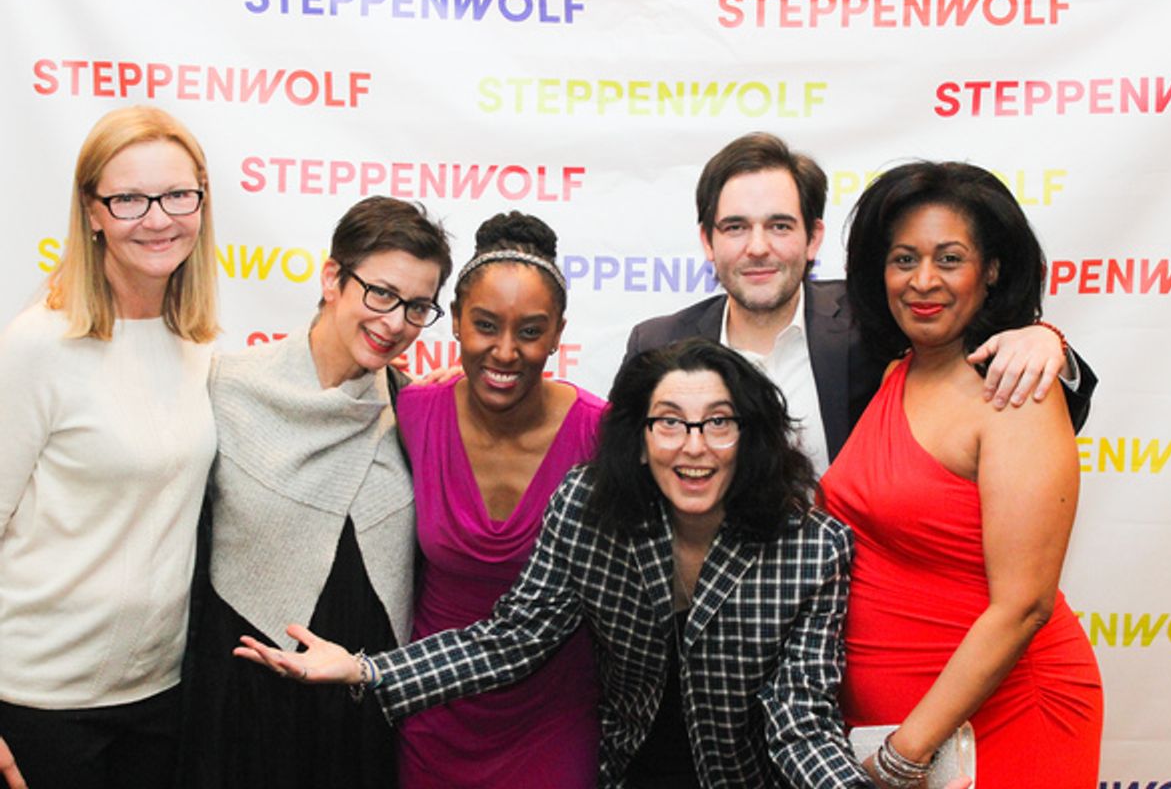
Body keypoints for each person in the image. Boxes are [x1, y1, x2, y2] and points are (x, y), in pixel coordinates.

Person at [235, 337, 879, 789]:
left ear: (749, 436)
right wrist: (365, 668)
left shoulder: (812, 548)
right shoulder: (589, 507)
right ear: (639, 439)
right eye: (669, 423)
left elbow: (799, 718)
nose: (694, 447)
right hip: (624, 773)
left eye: (718, 423)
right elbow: (514, 638)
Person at [821, 162, 1103, 786]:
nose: (923, 281)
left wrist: (905, 753)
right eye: (903, 259)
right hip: (900, 727)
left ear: (992, 269)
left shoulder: (1015, 392)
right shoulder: (898, 370)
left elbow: (1023, 606)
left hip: (1003, 720)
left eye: (949, 259)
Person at [624, 132, 1096, 473]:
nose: (758, 247)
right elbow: (626, 473)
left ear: (814, 238)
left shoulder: (873, 318)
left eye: (780, 226)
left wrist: (1044, 339)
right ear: (707, 241)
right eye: (736, 227)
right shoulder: (659, 344)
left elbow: (1017, 409)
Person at [183, 196, 452, 788]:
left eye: (417, 307)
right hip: (243, 706)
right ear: (332, 278)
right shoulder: (228, 387)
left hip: (359, 711)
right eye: (380, 293)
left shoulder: (413, 409)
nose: (395, 323)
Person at [0, 105, 219, 789]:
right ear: (92, 212)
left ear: (201, 202)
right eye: (129, 199)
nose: (158, 219)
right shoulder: (39, 345)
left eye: (177, 195)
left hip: (159, 694)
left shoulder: (198, 344)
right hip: (37, 702)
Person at [393, 211, 602, 787]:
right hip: (434, 705)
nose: (505, 352)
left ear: (558, 333)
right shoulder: (411, 415)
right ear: (456, 321)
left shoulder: (601, 434)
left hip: (556, 717)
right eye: (485, 325)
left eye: (530, 332)